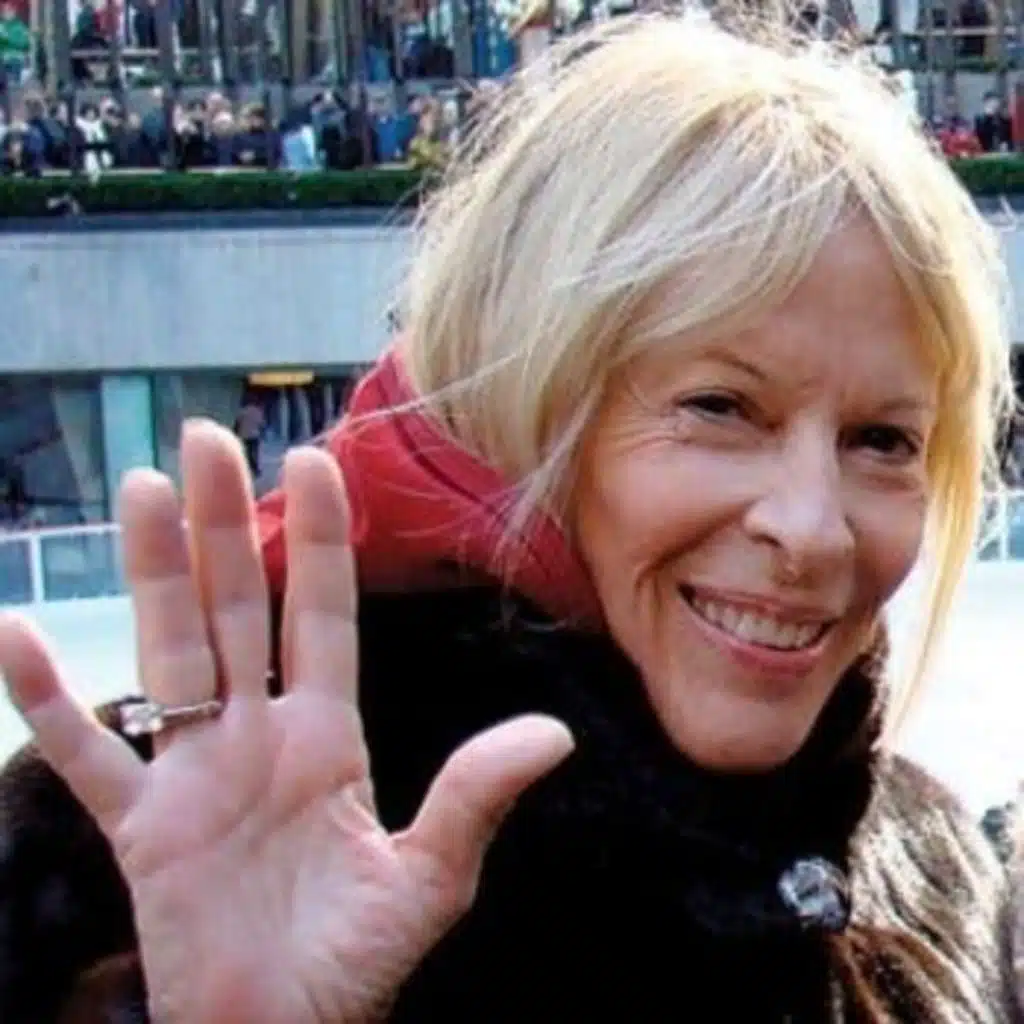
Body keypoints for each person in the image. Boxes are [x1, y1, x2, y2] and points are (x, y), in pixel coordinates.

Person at [0, 12, 1019, 1023]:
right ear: (517, 402)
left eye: (882, 439)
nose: (813, 528)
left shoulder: (944, 882)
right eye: (719, 407)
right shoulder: (128, 858)